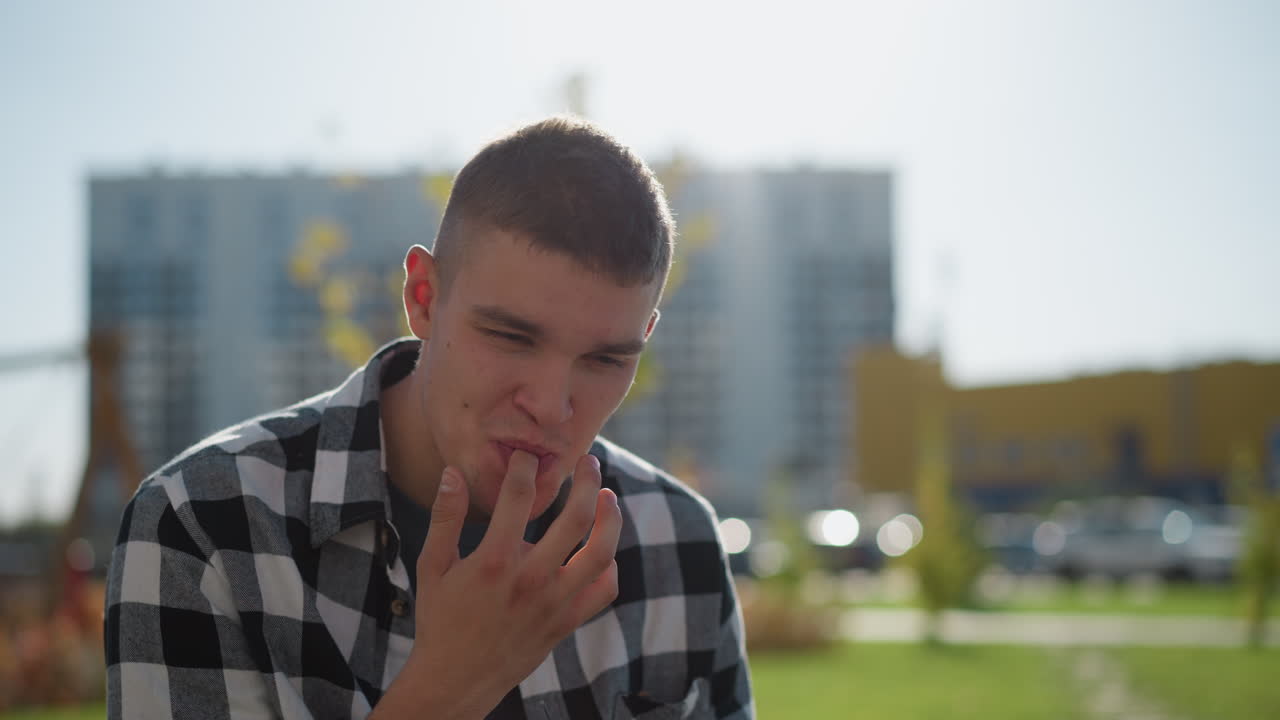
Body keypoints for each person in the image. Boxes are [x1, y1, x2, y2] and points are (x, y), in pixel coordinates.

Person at [105, 116, 754, 719]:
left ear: (644, 337)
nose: (552, 405)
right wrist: (450, 686)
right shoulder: (203, 528)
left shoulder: (680, 543)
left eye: (606, 359)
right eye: (512, 337)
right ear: (423, 297)